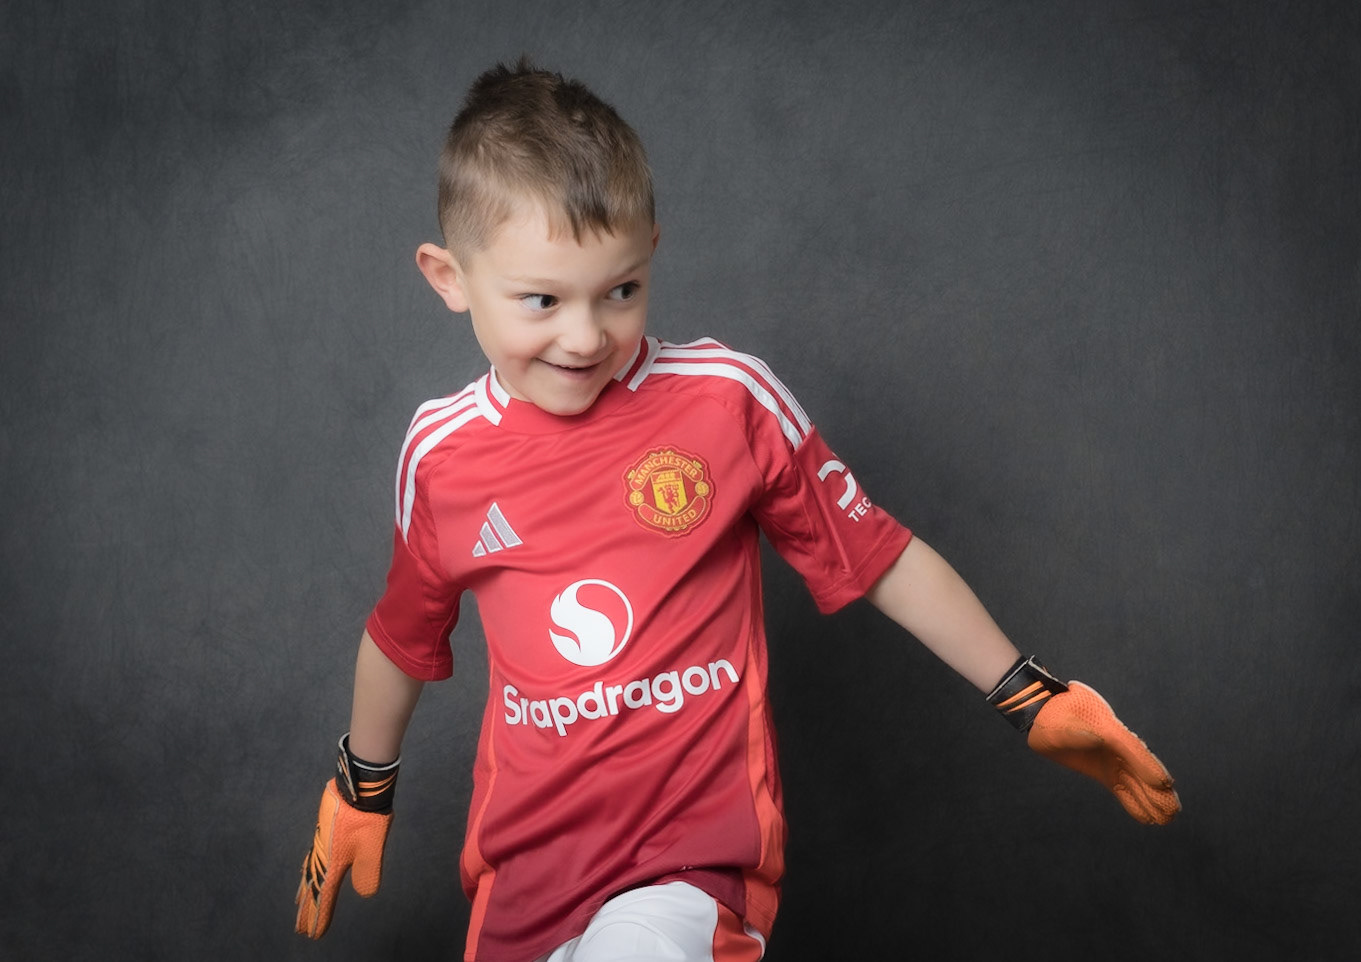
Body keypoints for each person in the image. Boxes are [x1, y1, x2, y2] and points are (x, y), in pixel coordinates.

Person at [295, 59, 1180, 962]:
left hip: (691, 865)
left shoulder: (726, 400)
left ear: (650, 252)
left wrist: (1027, 693)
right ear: (449, 277)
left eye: (620, 290)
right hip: (522, 871)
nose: (586, 334)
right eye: (542, 300)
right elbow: (402, 637)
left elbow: (877, 556)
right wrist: (363, 786)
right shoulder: (440, 454)